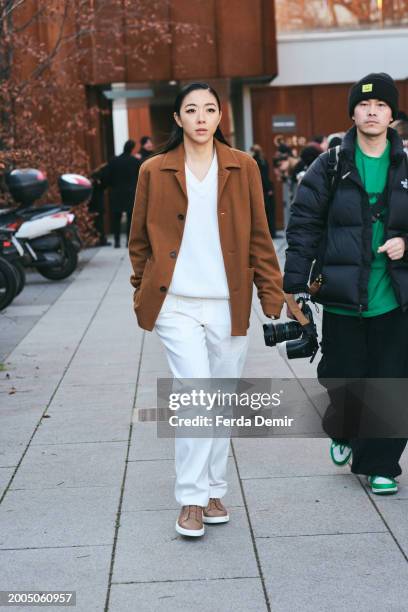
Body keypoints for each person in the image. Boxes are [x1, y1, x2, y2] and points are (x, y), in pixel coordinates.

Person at [128, 82, 284, 537]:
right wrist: (145, 287)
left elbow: (260, 233)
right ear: (177, 119)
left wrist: (270, 294)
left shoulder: (244, 167)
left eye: (209, 109)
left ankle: (215, 488)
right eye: (191, 109)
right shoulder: (154, 171)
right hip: (175, 304)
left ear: (220, 117)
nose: (200, 117)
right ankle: (192, 498)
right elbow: (138, 239)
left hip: (227, 304)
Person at [283, 73, 408, 495]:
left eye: (381, 106)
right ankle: (344, 430)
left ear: (392, 115)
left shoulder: (406, 166)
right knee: (343, 375)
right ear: (353, 112)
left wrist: (405, 242)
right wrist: (294, 285)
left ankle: (382, 466)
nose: (372, 112)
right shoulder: (330, 164)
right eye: (364, 105)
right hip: (340, 295)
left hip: (394, 297)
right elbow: (303, 225)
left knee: (392, 379)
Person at [105, 139, 141, 248]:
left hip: (116, 192)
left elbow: (108, 177)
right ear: (132, 149)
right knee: (131, 218)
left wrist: (112, 186)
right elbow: (139, 177)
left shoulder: (114, 160)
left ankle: (116, 241)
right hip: (131, 192)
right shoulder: (135, 161)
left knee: (116, 218)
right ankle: (128, 242)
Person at [250, 143, 276, 237]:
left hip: (263, 188)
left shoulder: (254, 161)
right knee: (269, 211)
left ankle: (269, 233)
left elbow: (262, 176)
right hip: (266, 187)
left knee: (264, 211)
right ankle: (272, 232)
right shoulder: (263, 160)